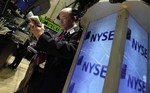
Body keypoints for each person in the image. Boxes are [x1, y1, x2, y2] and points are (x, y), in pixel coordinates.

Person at [15, 7, 83, 93]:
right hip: (41, 71)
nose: (61, 21)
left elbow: (69, 50)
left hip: (53, 78)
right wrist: (39, 39)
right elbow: (53, 43)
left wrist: (42, 37)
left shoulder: (78, 33)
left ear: (74, 18)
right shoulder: (62, 32)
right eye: (60, 18)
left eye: (64, 18)